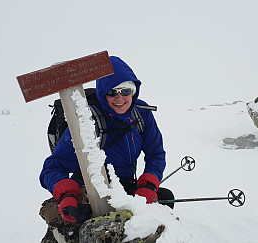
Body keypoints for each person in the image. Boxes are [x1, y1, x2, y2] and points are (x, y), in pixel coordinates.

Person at [40, 56, 174, 224]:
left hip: (125, 187)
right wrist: (67, 196)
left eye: (125, 91)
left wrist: (148, 185)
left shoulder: (142, 114)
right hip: (90, 193)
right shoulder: (87, 121)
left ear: (134, 91)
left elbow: (156, 154)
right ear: (102, 94)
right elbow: (52, 168)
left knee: (166, 198)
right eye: (112, 92)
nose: (119, 98)